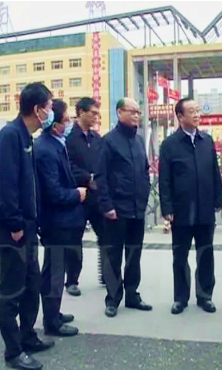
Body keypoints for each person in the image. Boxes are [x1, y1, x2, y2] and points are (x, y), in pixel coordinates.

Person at [0, 82, 55, 370]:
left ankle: (28, 336)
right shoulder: (11, 135)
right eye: (49, 107)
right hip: (13, 229)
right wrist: (15, 223)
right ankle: (13, 351)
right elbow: (6, 184)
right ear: (37, 109)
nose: (51, 112)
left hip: (27, 226)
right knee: (11, 290)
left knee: (31, 285)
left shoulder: (27, 137)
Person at [159, 98, 222, 315]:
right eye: (192, 111)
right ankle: (180, 298)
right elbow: (164, 179)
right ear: (180, 116)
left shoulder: (206, 140)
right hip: (181, 210)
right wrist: (167, 208)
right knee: (180, 257)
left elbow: (214, 171)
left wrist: (218, 199)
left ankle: (205, 296)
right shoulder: (170, 144)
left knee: (206, 254)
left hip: (205, 209)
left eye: (198, 111)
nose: (197, 115)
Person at [94, 98, 152, 318]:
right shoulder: (108, 141)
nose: (137, 115)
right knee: (113, 256)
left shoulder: (138, 141)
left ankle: (132, 295)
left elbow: (145, 171)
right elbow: (100, 176)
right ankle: (112, 298)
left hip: (137, 208)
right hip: (116, 209)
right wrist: (107, 206)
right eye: (132, 111)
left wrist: (144, 195)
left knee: (134, 254)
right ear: (120, 112)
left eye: (139, 112)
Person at [34, 99, 87, 337]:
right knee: (54, 273)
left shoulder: (56, 144)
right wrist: (77, 194)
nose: (69, 124)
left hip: (63, 222)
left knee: (56, 270)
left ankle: (53, 312)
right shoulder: (46, 150)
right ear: (54, 125)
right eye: (66, 120)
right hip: (56, 222)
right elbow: (53, 192)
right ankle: (51, 322)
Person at [65, 97, 105, 295]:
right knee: (74, 239)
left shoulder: (97, 139)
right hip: (77, 196)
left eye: (97, 113)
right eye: (92, 113)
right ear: (81, 112)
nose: (96, 117)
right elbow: (66, 165)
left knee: (106, 235)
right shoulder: (69, 138)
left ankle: (106, 275)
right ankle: (72, 280)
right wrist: (86, 178)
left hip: (97, 196)